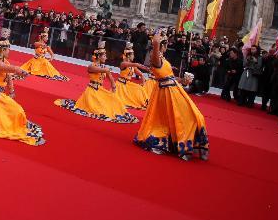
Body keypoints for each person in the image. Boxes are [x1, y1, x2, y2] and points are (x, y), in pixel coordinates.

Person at [134, 32, 209, 161]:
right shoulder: (155, 59)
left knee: (195, 115)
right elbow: (156, 45)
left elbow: (171, 77)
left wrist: (183, 81)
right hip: (166, 93)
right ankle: (184, 145)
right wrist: (157, 37)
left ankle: (193, 145)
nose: (167, 46)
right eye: (166, 44)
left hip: (176, 91)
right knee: (182, 117)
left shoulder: (163, 60)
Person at [54, 42, 139, 124]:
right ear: (99, 57)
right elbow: (103, 70)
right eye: (104, 56)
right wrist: (107, 70)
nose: (106, 58)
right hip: (92, 92)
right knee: (99, 109)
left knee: (115, 100)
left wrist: (113, 84)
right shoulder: (92, 66)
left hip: (100, 90)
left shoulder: (104, 67)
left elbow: (109, 75)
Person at [114, 42, 150, 109]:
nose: (134, 56)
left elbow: (141, 74)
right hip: (121, 85)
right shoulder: (123, 63)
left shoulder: (131, 65)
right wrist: (146, 68)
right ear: (128, 56)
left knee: (140, 88)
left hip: (128, 84)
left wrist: (143, 83)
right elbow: (136, 64)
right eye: (132, 55)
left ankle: (145, 103)